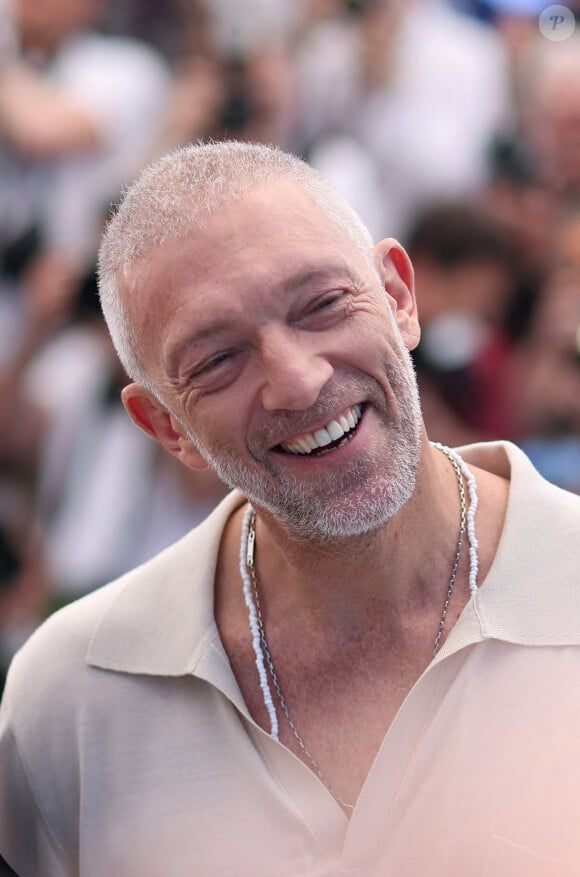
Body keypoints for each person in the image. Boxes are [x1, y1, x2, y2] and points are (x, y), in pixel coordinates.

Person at [1, 141, 580, 876]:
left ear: (399, 296)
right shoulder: (70, 698)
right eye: (217, 360)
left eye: (322, 305)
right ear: (165, 426)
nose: (298, 382)